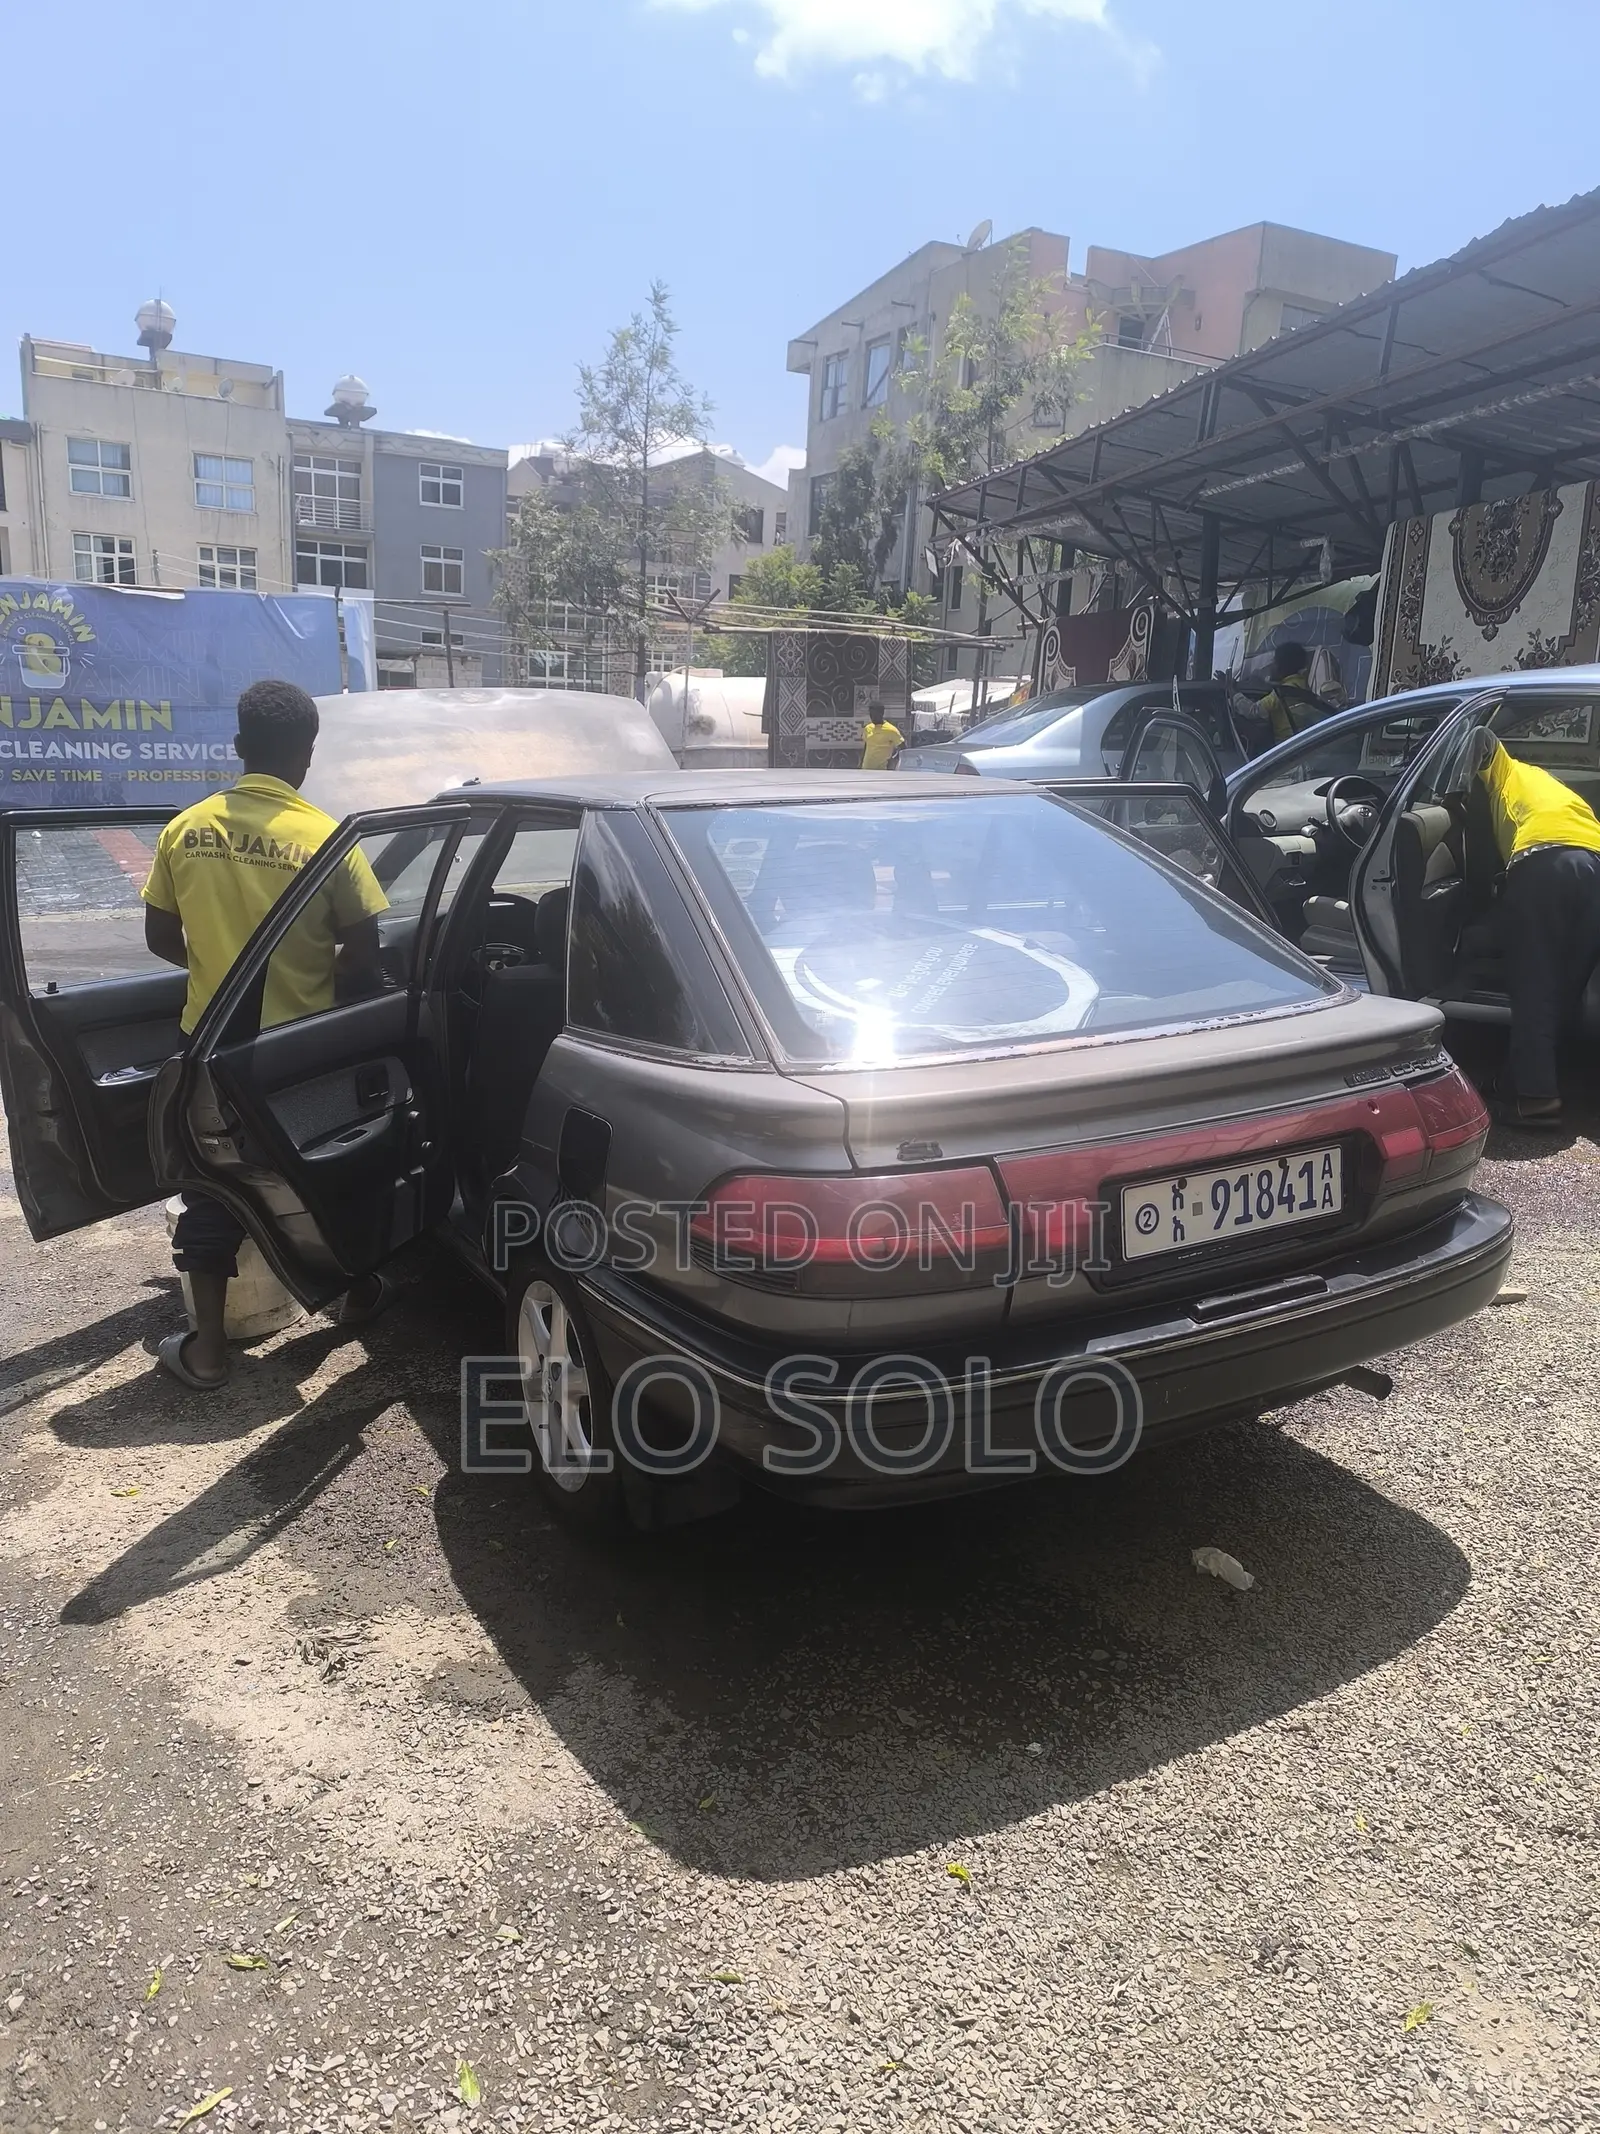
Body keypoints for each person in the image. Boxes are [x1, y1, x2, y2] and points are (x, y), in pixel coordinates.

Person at [141, 679, 391, 1389]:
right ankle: (352, 1293)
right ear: (306, 756)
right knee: (317, 1174)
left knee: (214, 1185)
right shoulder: (328, 839)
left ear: (239, 746)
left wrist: (220, 971)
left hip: (210, 1051)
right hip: (299, 1055)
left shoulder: (184, 829)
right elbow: (366, 952)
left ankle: (209, 1353)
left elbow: (161, 934)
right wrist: (309, 986)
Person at [1463, 726, 1600, 1130]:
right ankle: (1515, 1080)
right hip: (1592, 861)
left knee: (1534, 985)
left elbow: (1483, 865)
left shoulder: (1497, 779)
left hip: (1543, 863)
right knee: (1565, 984)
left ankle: (1536, 1100)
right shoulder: (1536, 778)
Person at [1258, 642, 1335, 745]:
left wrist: (1235, 696)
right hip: (1299, 742)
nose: (1271, 665)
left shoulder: (1283, 692)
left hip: (1285, 746)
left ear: (1282, 666)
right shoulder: (1301, 684)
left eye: (1274, 661)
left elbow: (1254, 711)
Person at [860, 701, 904, 771]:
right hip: (866, 769)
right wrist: (861, 762)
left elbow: (903, 747)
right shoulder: (868, 728)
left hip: (882, 771)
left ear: (881, 714)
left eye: (874, 715)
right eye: (871, 715)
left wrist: (894, 760)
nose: (872, 718)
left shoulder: (891, 730)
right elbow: (866, 745)